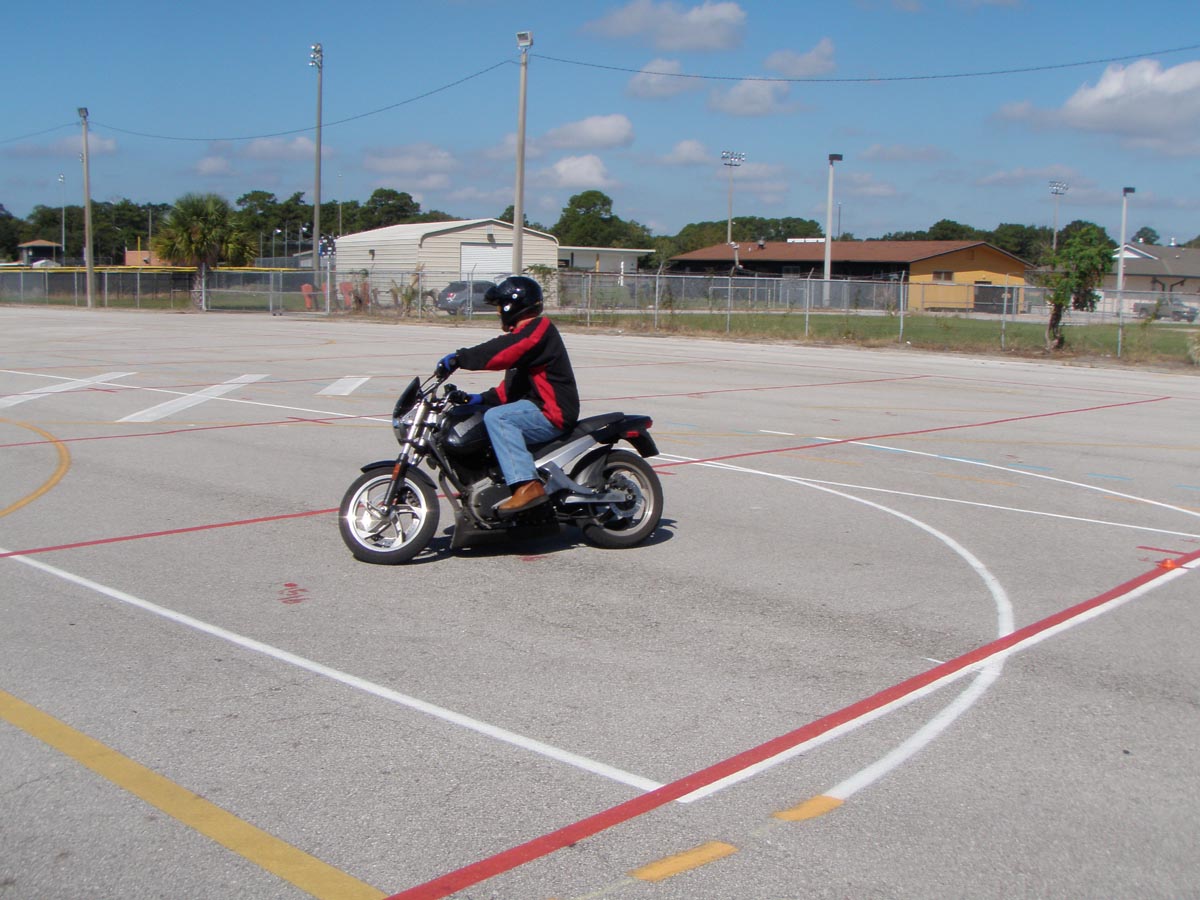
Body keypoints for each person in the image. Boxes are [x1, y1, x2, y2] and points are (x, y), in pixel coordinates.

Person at [436, 275, 579, 515]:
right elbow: (511, 389)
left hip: (553, 412)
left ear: (512, 306)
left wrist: (461, 358)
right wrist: (479, 399)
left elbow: (504, 351)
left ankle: (527, 485)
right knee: (483, 416)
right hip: (536, 407)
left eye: (499, 306)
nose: (497, 313)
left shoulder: (539, 329)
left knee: (498, 418)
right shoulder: (525, 338)